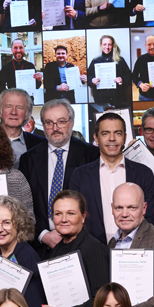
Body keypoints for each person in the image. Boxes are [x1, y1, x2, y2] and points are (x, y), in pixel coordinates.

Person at [18, 100, 100, 253]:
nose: (55, 128)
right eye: (49, 123)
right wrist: (43, 235)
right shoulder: (28, 159)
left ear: (72, 123)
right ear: (43, 125)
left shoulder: (92, 155)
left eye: (61, 121)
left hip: (82, 246)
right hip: (41, 247)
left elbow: (95, 204)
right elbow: (22, 206)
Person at [68, 112, 154, 244]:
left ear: (125, 137)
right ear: (96, 138)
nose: (112, 138)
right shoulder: (79, 175)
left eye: (118, 133)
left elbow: (151, 217)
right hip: (91, 251)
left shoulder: (144, 174)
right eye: (105, 133)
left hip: (135, 250)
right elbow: (73, 218)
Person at [44, 190, 111, 307]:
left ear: (83, 216)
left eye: (71, 213)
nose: (63, 219)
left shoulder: (93, 248)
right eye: (58, 214)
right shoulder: (57, 249)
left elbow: (101, 301)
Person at [0, 89, 43, 166]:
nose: (14, 112)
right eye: (8, 106)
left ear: (27, 114)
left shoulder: (41, 144)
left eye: (20, 107)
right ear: (0, 112)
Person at [87, 34, 131, 108]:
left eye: (109, 44)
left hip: (118, 98)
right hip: (100, 100)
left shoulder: (120, 60)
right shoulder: (95, 61)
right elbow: (88, 78)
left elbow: (129, 77)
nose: (107, 47)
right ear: (101, 46)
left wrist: (122, 80)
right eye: (104, 44)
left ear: (113, 46)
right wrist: (92, 81)